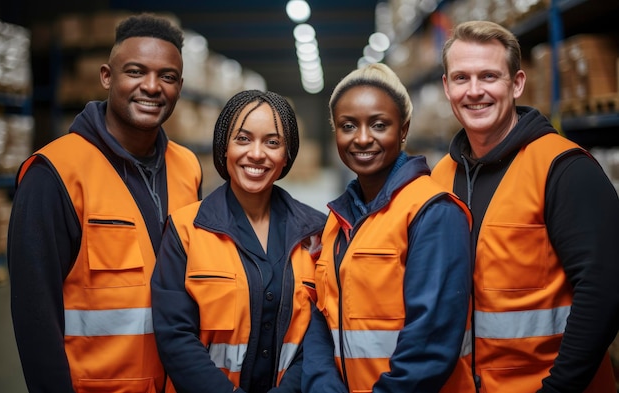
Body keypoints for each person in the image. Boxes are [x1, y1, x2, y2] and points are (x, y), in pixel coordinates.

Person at [7, 13, 203, 393]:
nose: (152, 86)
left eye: (167, 76)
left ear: (180, 86)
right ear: (106, 77)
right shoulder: (55, 174)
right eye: (135, 71)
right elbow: (35, 318)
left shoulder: (188, 167)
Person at [432, 20, 619, 393]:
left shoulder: (564, 168)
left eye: (488, 76)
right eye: (461, 78)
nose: (474, 91)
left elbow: (603, 292)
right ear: (446, 87)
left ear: (516, 84)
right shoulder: (441, 176)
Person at [301, 63, 475, 393]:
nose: (363, 138)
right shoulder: (337, 222)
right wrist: (323, 384)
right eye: (348, 126)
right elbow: (320, 316)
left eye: (379, 125)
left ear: (404, 130)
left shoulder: (433, 211)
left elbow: (430, 344)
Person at [151, 89, 327, 393]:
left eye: (272, 142)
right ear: (224, 148)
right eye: (243, 139)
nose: (256, 153)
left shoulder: (316, 232)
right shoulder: (186, 230)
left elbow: (319, 333)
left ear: (286, 156)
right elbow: (175, 335)